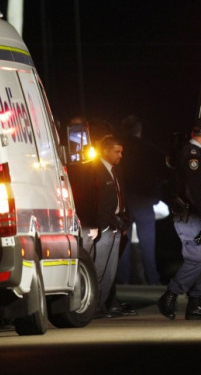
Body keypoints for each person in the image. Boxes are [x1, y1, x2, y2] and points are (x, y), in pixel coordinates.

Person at [157, 117, 201, 321]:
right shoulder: (192, 155)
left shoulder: (198, 154)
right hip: (190, 215)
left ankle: (196, 304)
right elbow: (192, 189)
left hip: (196, 214)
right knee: (195, 259)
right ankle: (170, 295)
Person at [74, 135, 130, 318]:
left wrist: (124, 219)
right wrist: (94, 224)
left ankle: (101, 305)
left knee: (110, 270)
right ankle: (91, 305)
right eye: (117, 151)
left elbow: (121, 196)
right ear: (105, 151)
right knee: (97, 268)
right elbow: (87, 199)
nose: (121, 155)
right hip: (101, 226)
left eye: (121, 151)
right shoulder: (92, 170)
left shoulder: (116, 170)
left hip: (115, 224)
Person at [117, 115, 168, 286]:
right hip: (145, 201)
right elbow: (164, 170)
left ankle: (123, 281)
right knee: (148, 244)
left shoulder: (118, 150)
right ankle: (153, 280)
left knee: (123, 243)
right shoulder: (149, 149)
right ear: (139, 130)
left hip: (124, 201)